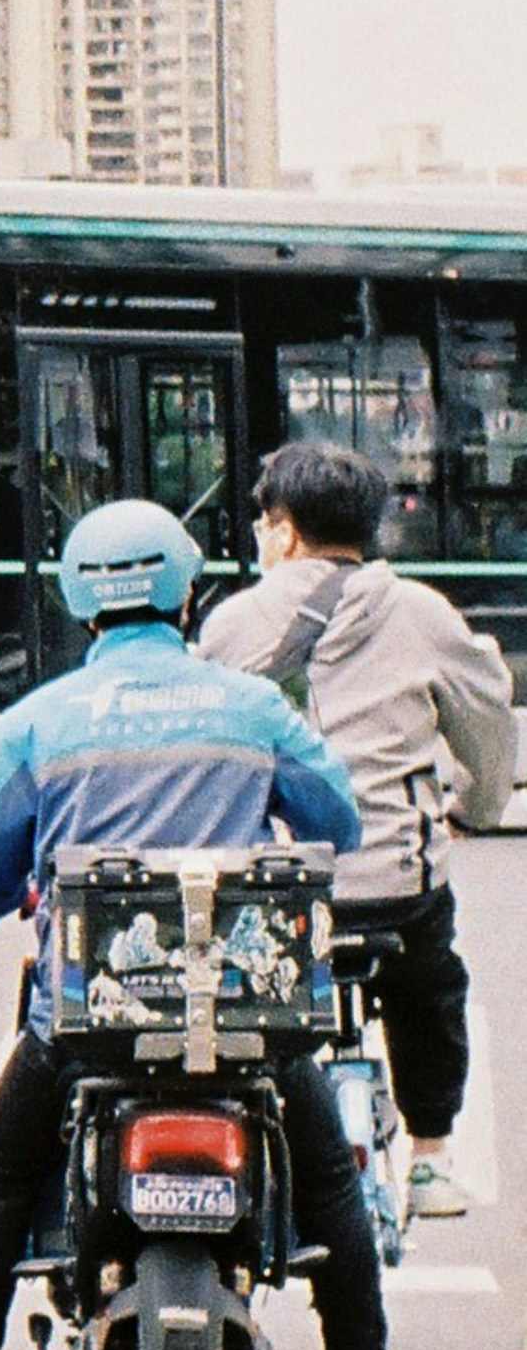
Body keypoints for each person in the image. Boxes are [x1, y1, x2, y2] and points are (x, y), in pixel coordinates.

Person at [0, 494, 415, 1350]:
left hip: (85, 1024)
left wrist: (4, 887)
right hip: (247, 1022)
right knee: (328, 1185)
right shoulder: (250, 707)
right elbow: (336, 820)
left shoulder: (38, 720)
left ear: (76, 595)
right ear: (186, 588)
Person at [198, 437, 512, 1222]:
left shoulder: (231, 624)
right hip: (391, 890)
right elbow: (486, 723)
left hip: (275, 893)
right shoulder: (422, 613)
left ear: (284, 532)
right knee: (429, 985)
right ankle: (432, 1159)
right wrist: (470, 808)